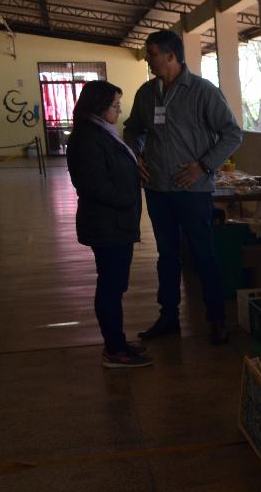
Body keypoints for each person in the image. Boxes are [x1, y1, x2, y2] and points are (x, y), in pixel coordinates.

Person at [124, 29, 242, 345]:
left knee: (203, 253)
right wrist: (136, 155)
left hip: (193, 190)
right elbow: (132, 130)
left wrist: (204, 165)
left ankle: (216, 319)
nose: (148, 59)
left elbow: (232, 134)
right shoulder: (146, 93)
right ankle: (168, 318)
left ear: (171, 55)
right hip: (157, 188)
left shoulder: (203, 91)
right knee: (167, 255)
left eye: (152, 53)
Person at [66, 80, 152, 369]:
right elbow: (92, 184)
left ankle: (117, 342)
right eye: (115, 105)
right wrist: (127, 199)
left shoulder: (101, 131)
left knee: (115, 286)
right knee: (111, 287)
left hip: (116, 222)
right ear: (99, 106)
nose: (119, 110)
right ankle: (114, 350)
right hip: (107, 224)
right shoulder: (87, 138)